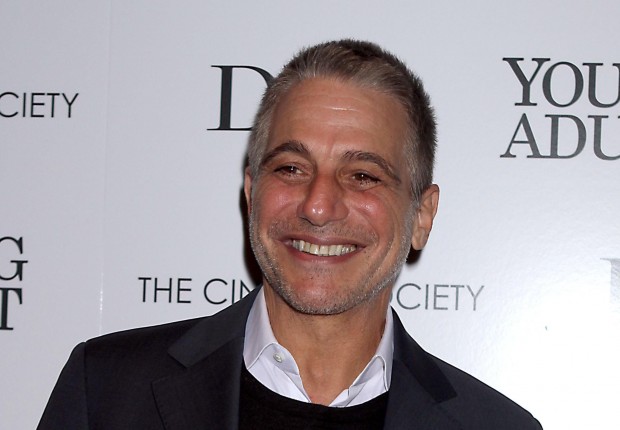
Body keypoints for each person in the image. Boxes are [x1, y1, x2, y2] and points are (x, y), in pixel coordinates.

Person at [38, 39, 542, 429]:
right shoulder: (104, 390)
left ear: (422, 217)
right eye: (291, 168)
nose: (318, 206)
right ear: (251, 192)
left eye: (362, 175)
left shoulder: (497, 426)